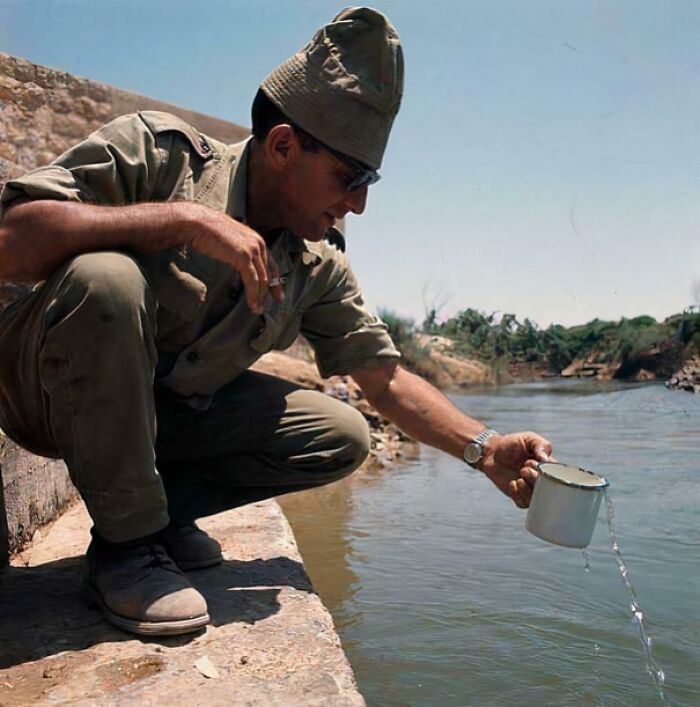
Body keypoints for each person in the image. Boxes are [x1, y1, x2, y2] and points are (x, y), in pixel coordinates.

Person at [0, 7, 552, 637]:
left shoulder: (316, 263)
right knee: (108, 278)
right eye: (350, 178)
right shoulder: (160, 155)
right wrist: (181, 221)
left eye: (368, 181)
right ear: (285, 146)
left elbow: (386, 381)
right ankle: (128, 552)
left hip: (159, 415)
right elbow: (11, 241)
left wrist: (485, 450)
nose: (360, 205)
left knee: (341, 433)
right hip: (40, 392)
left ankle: (155, 517)